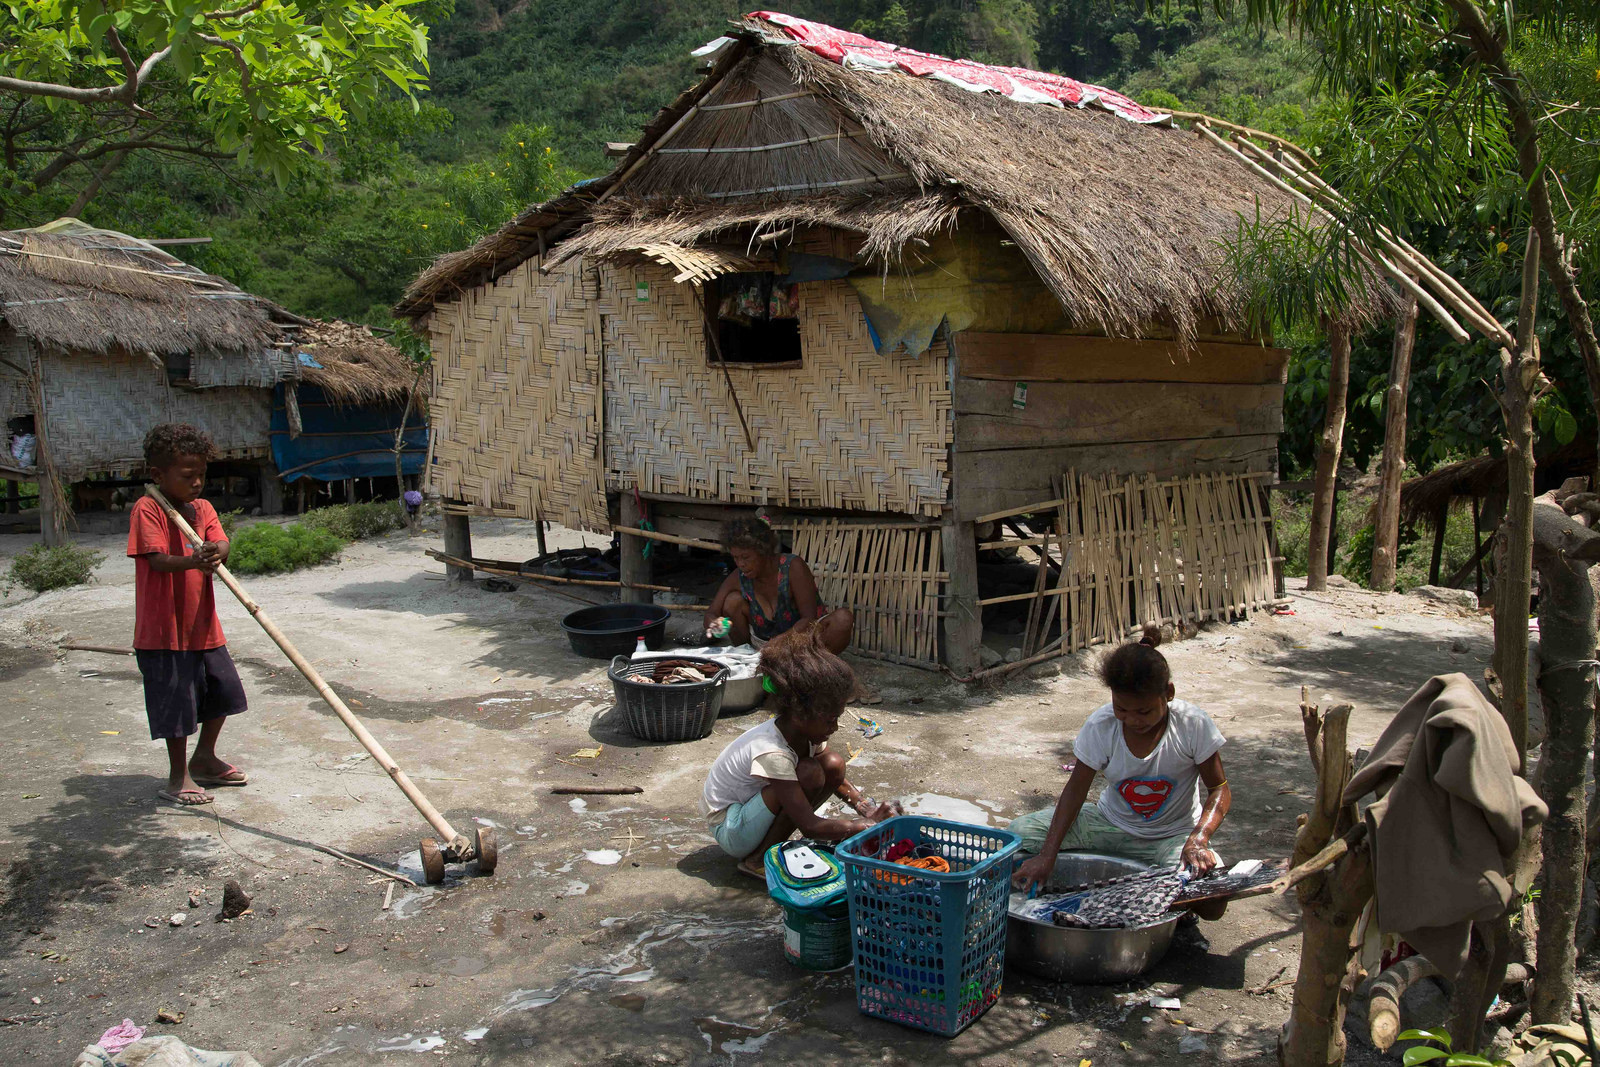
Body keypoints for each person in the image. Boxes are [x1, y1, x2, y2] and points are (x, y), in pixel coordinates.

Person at [1010, 625, 1232, 905]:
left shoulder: (1193, 724)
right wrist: (1047, 855)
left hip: (1172, 835)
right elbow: (1075, 791)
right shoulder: (1101, 725)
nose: (1132, 720)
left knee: (1213, 901)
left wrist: (1199, 838)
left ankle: (1174, 903)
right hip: (1109, 824)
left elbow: (1219, 789)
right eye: (1121, 709)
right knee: (1019, 834)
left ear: (1169, 694)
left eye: (1144, 711)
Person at [700, 626, 895, 879]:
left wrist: (865, 807)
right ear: (799, 713)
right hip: (731, 827)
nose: (834, 728)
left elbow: (836, 775)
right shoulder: (771, 750)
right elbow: (811, 825)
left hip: (751, 811)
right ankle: (757, 860)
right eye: (829, 720)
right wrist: (865, 826)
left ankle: (775, 845)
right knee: (809, 773)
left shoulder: (803, 733)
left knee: (833, 763)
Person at [128, 424, 248, 806]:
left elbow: (221, 540)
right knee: (176, 703)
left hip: (202, 624)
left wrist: (217, 550)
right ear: (158, 476)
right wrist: (192, 560)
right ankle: (178, 776)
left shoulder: (203, 508)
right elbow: (158, 561)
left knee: (224, 690)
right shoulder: (149, 508)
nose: (197, 483)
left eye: (201, 475)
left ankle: (205, 759)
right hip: (164, 630)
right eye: (187, 476)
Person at [703, 517, 853, 653]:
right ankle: (745, 654)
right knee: (732, 601)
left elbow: (808, 619)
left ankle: (813, 667)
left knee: (843, 619)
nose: (741, 563)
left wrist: (777, 644)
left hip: (803, 644)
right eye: (735, 558)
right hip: (764, 648)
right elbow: (711, 613)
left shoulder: (793, 567)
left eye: (746, 557)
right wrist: (714, 625)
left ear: (763, 551)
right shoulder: (738, 577)